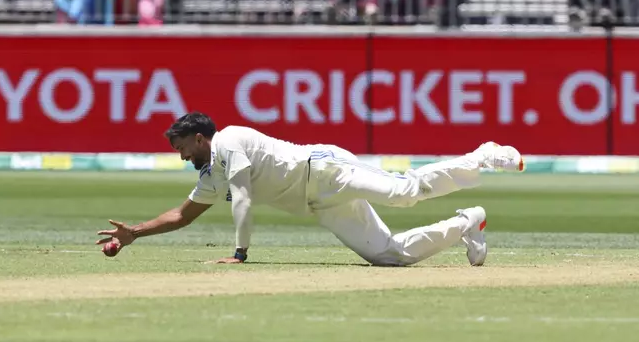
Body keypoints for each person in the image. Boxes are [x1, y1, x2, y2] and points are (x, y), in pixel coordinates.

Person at [96, 111, 525, 267]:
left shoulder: (227, 141)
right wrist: (135, 232)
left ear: (199, 138)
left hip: (323, 170)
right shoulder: (210, 174)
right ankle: (467, 222)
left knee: (405, 191)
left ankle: (482, 156)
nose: (180, 156)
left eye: (181, 147)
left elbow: (243, 197)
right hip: (319, 201)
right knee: (390, 255)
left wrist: (241, 253)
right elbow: (182, 216)